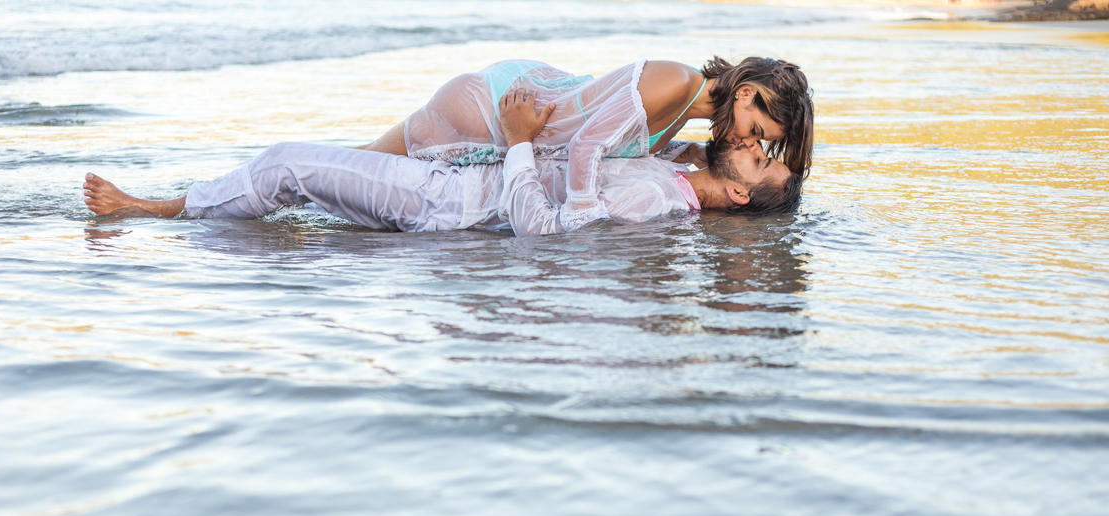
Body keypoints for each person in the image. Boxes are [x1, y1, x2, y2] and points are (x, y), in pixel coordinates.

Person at [83, 89, 801, 237]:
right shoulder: (676, 167)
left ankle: (153, 211)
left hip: (443, 202)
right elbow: (689, 122)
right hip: (449, 191)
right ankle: (196, 208)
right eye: (760, 137)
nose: (754, 146)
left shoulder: (659, 202)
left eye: (765, 162)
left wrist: (520, 136)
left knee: (286, 165)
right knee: (302, 186)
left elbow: (545, 232)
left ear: (740, 199)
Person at [357, 56, 813, 229]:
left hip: (522, 120)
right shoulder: (675, 83)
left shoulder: (691, 104)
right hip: (489, 113)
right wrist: (582, 223)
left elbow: (621, 141)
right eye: (754, 130)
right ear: (747, 93)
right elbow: (586, 148)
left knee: (358, 176)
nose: (743, 140)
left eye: (756, 142)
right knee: (358, 170)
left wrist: (683, 152)